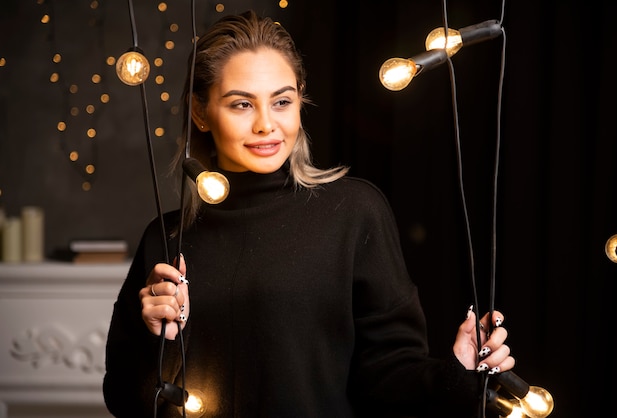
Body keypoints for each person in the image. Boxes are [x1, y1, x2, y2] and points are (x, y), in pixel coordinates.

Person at [103, 10, 515, 418]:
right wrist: (154, 340)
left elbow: (387, 378)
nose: (267, 124)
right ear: (200, 112)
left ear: (300, 99)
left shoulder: (353, 212)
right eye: (242, 104)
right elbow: (123, 398)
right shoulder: (168, 235)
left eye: (281, 101)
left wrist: (456, 373)